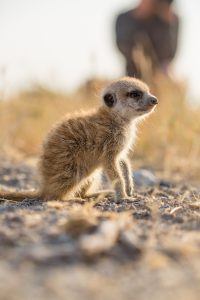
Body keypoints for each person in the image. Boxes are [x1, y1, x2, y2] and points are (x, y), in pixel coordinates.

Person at [115, 0, 179, 78]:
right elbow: (123, 45)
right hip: (132, 75)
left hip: (159, 78)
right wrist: (139, 16)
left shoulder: (166, 21)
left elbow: (168, 55)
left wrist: (168, 25)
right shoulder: (124, 18)